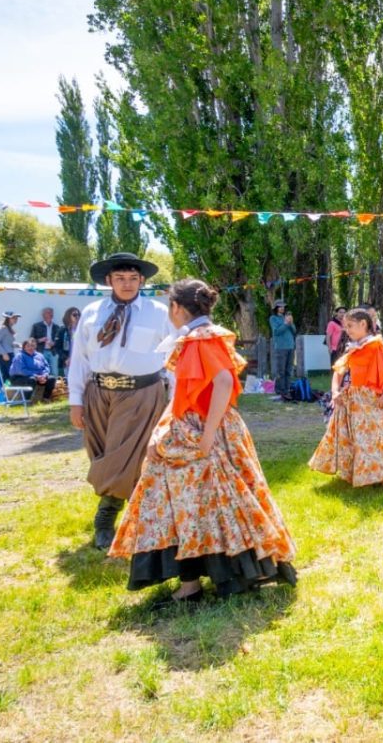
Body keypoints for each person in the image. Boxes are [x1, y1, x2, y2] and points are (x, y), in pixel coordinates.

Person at [109, 279, 297, 604]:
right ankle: (201, 578)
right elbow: (184, 392)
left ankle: (196, 582)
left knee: (196, 499)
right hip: (196, 424)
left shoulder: (199, 339)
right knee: (204, 500)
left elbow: (224, 381)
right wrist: (161, 428)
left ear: (177, 308)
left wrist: (207, 436)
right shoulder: (198, 337)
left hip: (205, 427)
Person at [67, 252, 173, 550]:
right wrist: (76, 401)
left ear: (142, 280)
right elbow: (80, 359)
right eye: (120, 279)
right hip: (98, 393)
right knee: (102, 453)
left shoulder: (158, 313)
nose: (127, 284)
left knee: (124, 455)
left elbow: (173, 356)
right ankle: (138, 514)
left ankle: (106, 517)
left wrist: (175, 401)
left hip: (141, 393)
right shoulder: (91, 312)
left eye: (132, 278)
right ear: (109, 281)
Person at [309, 308, 383, 486]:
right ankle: (363, 473)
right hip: (355, 398)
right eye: (345, 326)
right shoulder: (354, 349)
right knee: (358, 437)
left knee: (376, 437)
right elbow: (338, 371)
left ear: (363, 324)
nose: (347, 330)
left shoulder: (376, 345)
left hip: (373, 399)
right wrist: (335, 392)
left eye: (350, 326)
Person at [9, 338, 57, 402]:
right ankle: (27, 400)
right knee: (32, 380)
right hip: (19, 378)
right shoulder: (20, 356)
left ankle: (45, 398)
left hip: (38, 377)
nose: (30, 348)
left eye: (32, 346)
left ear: (35, 346)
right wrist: (36, 376)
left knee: (51, 379)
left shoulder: (40, 355)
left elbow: (46, 367)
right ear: (24, 347)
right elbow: (22, 370)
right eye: (28, 346)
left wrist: (44, 375)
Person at [268, 300, 296, 397]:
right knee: (281, 370)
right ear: (276, 308)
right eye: (280, 306)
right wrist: (286, 324)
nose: (282, 308)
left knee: (288, 370)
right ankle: (280, 391)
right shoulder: (273, 318)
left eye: (283, 306)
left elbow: (294, 331)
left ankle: (287, 389)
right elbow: (276, 332)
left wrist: (291, 323)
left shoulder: (287, 318)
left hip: (291, 347)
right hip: (280, 347)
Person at [30, 307, 62, 376]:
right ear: (43, 315)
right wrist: (40, 340)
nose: (50, 314)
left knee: (54, 372)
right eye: (47, 313)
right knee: (42, 371)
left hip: (53, 352)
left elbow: (60, 341)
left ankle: (54, 386)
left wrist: (54, 343)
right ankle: (43, 386)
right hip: (41, 352)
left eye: (51, 313)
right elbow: (31, 340)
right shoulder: (36, 326)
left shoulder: (57, 327)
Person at [0, 311, 19, 382]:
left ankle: (9, 391)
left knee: (10, 375)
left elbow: (7, 343)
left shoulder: (10, 329)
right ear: (8, 318)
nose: (16, 319)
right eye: (13, 318)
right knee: (5, 375)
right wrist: (4, 353)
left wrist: (17, 345)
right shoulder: (3, 328)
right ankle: (5, 391)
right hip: (4, 356)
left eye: (16, 318)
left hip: (10, 354)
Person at [57, 306, 82, 376]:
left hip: (80, 362)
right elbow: (58, 348)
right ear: (68, 316)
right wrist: (65, 359)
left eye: (78, 315)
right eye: (74, 315)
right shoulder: (62, 330)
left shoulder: (82, 330)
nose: (77, 316)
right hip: (67, 362)